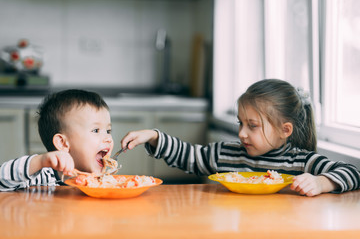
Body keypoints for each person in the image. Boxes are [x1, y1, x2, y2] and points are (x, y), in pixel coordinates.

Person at [121, 79, 360, 196]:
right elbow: (189, 156)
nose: (241, 133)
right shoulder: (226, 154)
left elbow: (353, 172)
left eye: (252, 126)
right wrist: (153, 136)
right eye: (241, 123)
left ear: (284, 130)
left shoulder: (303, 162)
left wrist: (321, 182)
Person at [0, 89, 113, 191]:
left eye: (108, 131)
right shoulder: (43, 178)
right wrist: (40, 161)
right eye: (96, 130)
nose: (108, 138)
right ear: (62, 143)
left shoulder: (105, 181)